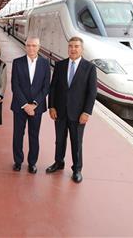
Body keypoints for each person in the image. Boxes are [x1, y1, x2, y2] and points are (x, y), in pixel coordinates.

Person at [47, 36, 97, 183]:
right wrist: (51, 106)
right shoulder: (60, 65)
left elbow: (92, 92)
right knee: (59, 140)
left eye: (76, 46)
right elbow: (53, 87)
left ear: (82, 49)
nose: (73, 49)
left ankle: (77, 169)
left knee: (77, 142)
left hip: (78, 114)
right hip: (60, 112)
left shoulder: (89, 68)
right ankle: (58, 162)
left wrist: (86, 112)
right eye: (70, 46)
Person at [11, 37, 50, 173]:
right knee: (18, 135)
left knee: (34, 135)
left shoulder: (45, 64)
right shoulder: (17, 62)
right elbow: (15, 86)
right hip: (19, 106)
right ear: (25, 46)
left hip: (36, 108)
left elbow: (46, 87)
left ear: (39, 47)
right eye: (28, 45)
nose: (31, 48)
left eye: (34, 46)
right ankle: (18, 161)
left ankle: (32, 163)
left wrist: (34, 104)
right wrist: (25, 105)